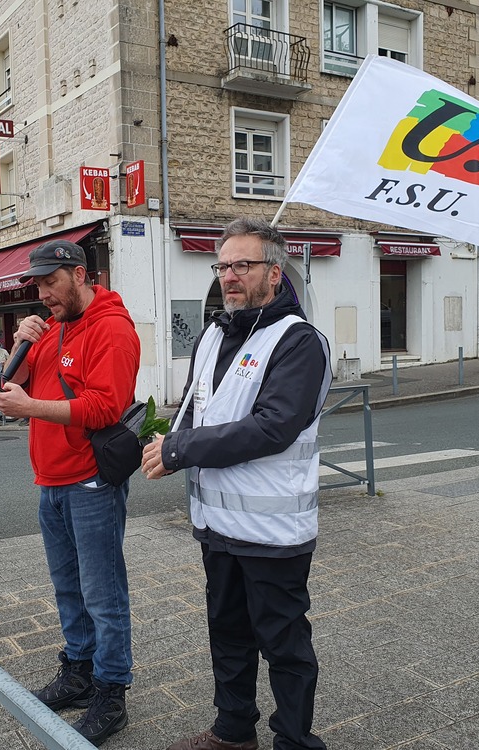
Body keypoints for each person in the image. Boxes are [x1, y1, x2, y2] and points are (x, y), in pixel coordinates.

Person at [142, 218, 331, 750]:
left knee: (285, 645)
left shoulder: (299, 342)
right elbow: (194, 411)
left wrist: (180, 451)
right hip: (216, 525)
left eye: (242, 265)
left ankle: (294, 740)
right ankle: (232, 732)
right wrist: (155, 440)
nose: (229, 276)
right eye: (223, 265)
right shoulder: (214, 333)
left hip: (273, 532)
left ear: (275, 273)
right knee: (227, 635)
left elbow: (273, 426)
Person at [0, 238, 140, 746]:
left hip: (90, 481)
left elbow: (104, 409)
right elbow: (15, 382)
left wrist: (30, 409)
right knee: (68, 589)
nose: (44, 293)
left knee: (102, 594)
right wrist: (23, 342)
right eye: (39, 285)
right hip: (50, 481)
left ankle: (111, 693)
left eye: (52, 282)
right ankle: (78, 673)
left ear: (79, 274)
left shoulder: (112, 329)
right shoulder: (52, 328)